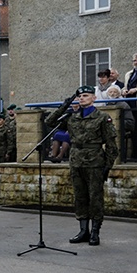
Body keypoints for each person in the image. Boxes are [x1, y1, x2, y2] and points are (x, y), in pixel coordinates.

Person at [45, 85, 118, 246]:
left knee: (95, 197)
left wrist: (108, 166)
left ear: (94, 98)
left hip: (94, 162)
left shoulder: (102, 117)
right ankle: (83, 230)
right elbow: (49, 121)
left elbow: (112, 145)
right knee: (80, 196)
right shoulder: (73, 117)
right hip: (76, 161)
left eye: (86, 95)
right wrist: (65, 105)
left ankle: (95, 231)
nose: (82, 98)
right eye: (80, 96)